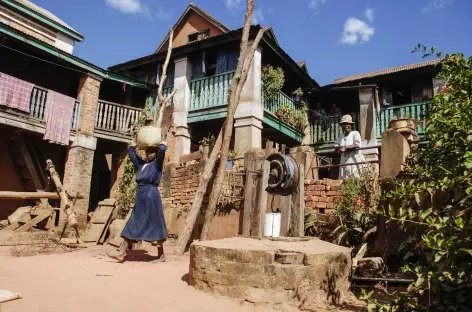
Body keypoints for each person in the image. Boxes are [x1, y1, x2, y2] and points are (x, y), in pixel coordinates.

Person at [107, 139, 168, 263]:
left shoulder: (157, 164)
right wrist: (132, 146)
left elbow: (162, 152)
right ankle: (122, 253)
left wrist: (162, 144)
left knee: (153, 223)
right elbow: (132, 155)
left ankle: (160, 255)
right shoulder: (141, 165)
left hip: (151, 196)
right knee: (136, 221)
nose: (149, 154)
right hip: (141, 196)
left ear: (156, 154)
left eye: (152, 152)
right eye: (147, 152)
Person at [334, 115, 366, 180]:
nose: (346, 126)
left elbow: (357, 145)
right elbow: (336, 145)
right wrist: (338, 148)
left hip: (354, 160)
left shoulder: (355, 133)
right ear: (341, 126)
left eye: (348, 124)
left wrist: (346, 148)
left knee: (355, 178)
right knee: (344, 180)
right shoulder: (341, 136)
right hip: (344, 161)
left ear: (351, 125)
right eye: (344, 124)